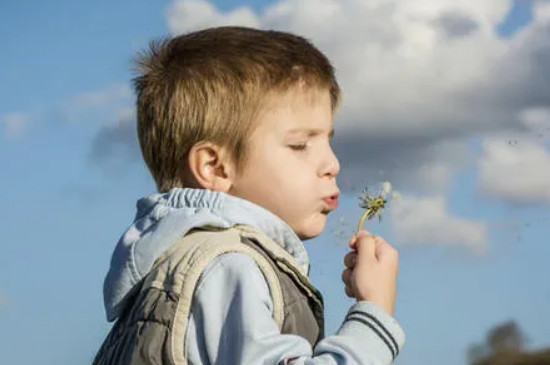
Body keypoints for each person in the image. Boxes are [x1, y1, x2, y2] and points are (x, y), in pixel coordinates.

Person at [93, 26, 405, 365]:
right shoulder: (228, 267)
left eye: (328, 140)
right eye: (300, 145)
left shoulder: (172, 270)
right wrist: (373, 312)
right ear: (214, 167)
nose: (332, 164)